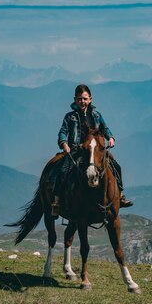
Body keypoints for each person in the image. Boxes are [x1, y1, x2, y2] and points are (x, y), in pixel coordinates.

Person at [51, 84, 133, 216]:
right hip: (77, 149)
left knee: (115, 165)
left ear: (90, 99)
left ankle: (120, 196)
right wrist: (64, 143)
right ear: (75, 100)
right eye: (79, 99)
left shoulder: (96, 115)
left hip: (95, 149)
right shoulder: (70, 117)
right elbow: (63, 132)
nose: (82, 102)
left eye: (84, 99)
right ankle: (57, 201)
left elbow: (104, 128)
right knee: (63, 170)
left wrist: (110, 137)